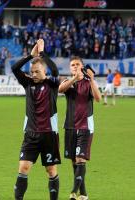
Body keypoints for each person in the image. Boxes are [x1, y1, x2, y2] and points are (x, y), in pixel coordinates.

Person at [12, 39, 61, 200]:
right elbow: (15, 68)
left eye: (37, 71)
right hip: (31, 134)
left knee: (51, 171)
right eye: (32, 71)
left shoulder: (52, 83)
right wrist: (30, 56)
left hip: (49, 135)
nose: (33, 74)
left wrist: (42, 53)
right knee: (23, 167)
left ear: (44, 71)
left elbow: (54, 69)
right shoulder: (27, 83)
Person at [58, 56, 101, 200]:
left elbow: (98, 98)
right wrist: (74, 79)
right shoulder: (68, 82)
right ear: (70, 68)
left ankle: (73, 192)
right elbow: (61, 89)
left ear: (82, 67)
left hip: (85, 126)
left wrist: (92, 79)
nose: (75, 66)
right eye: (72, 65)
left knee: (80, 158)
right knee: (74, 162)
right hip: (69, 126)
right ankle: (84, 193)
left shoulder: (89, 83)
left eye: (77, 64)